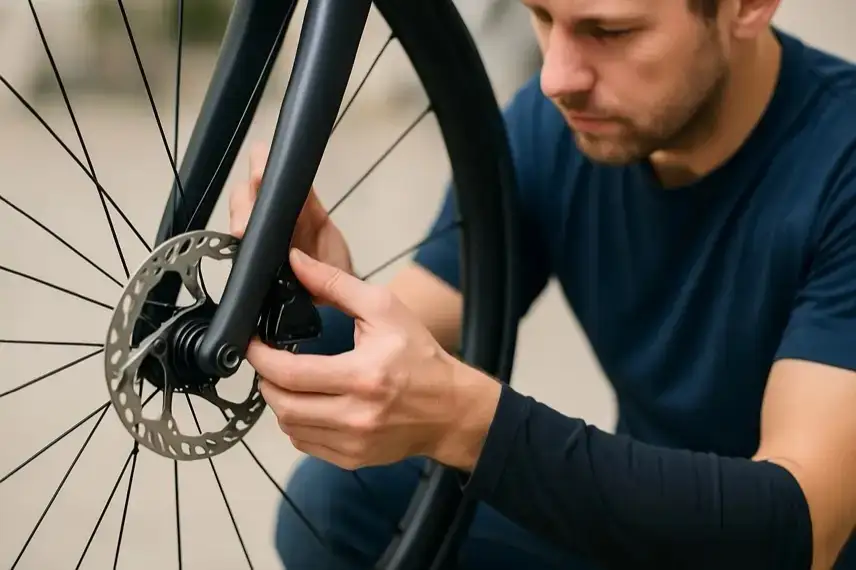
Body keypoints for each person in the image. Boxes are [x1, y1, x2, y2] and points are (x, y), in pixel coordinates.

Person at [229, 0, 856, 568]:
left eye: (608, 31)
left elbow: (802, 531)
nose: (557, 77)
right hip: (649, 530)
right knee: (338, 505)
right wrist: (313, 297)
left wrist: (472, 423)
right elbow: (411, 332)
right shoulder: (556, 125)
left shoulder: (841, 163)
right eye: (543, 18)